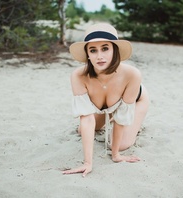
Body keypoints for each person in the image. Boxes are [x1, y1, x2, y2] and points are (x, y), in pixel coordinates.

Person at [63, 23, 149, 177]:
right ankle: (108, 117)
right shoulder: (78, 75)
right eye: (93, 50)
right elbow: (87, 117)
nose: (99, 56)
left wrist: (116, 155)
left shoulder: (132, 74)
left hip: (134, 100)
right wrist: (88, 163)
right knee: (82, 130)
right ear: (87, 54)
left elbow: (122, 116)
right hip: (104, 107)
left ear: (114, 50)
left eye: (105, 48)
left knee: (121, 145)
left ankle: (136, 122)